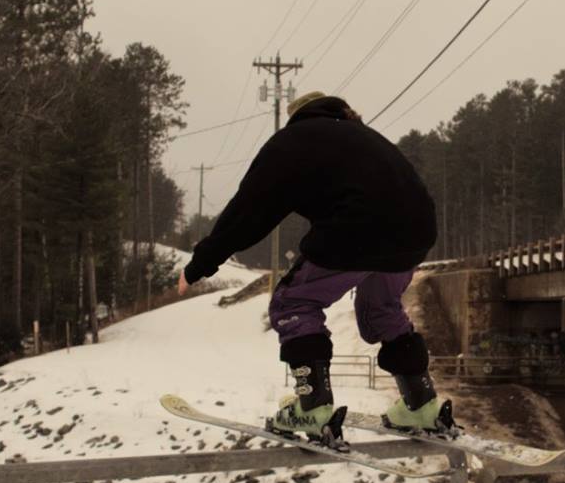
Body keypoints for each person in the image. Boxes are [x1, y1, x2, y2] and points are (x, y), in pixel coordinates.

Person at [179, 91, 444, 447]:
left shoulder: (292, 141)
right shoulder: (365, 135)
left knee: (293, 304)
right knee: (381, 310)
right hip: (417, 229)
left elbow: (248, 211)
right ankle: (421, 404)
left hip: (359, 228)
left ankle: (313, 407)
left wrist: (200, 263)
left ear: (295, 116)